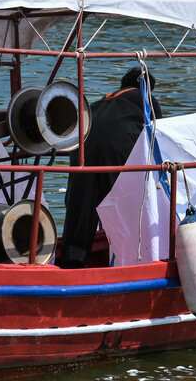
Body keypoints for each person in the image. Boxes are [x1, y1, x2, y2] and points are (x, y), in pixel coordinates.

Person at [59, 67, 162, 268]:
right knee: (125, 202)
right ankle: (132, 257)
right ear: (147, 88)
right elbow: (159, 138)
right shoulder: (146, 99)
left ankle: (73, 261)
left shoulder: (104, 99)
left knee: (81, 204)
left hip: (81, 145)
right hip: (117, 147)